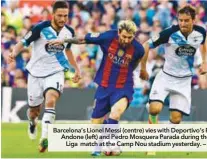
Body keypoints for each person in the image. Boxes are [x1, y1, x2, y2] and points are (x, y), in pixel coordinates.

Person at [48, 20, 145, 156]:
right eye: (124, 36)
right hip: (104, 86)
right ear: (118, 33)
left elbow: (134, 64)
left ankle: (113, 144)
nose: (126, 40)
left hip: (124, 86)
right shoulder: (107, 37)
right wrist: (63, 40)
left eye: (130, 37)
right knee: (95, 124)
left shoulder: (138, 49)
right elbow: (83, 39)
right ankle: (102, 142)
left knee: (115, 113)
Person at [7, 1, 81, 153]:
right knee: (34, 111)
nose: (63, 19)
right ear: (53, 14)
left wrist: (77, 69)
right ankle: (32, 122)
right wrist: (14, 52)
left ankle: (45, 138)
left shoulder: (69, 31)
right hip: (35, 73)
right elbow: (23, 42)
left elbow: (68, 51)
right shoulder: (40, 28)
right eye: (59, 15)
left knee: (51, 99)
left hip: (55, 71)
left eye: (65, 16)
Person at [140, 5, 207, 125]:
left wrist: (204, 62)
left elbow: (203, 45)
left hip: (184, 80)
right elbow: (146, 45)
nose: (183, 23)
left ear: (193, 20)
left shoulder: (201, 32)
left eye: (186, 20)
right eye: (180, 20)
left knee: (176, 119)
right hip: (166, 76)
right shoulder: (169, 32)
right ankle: (151, 115)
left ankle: (165, 140)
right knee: (154, 109)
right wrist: (143, 68)